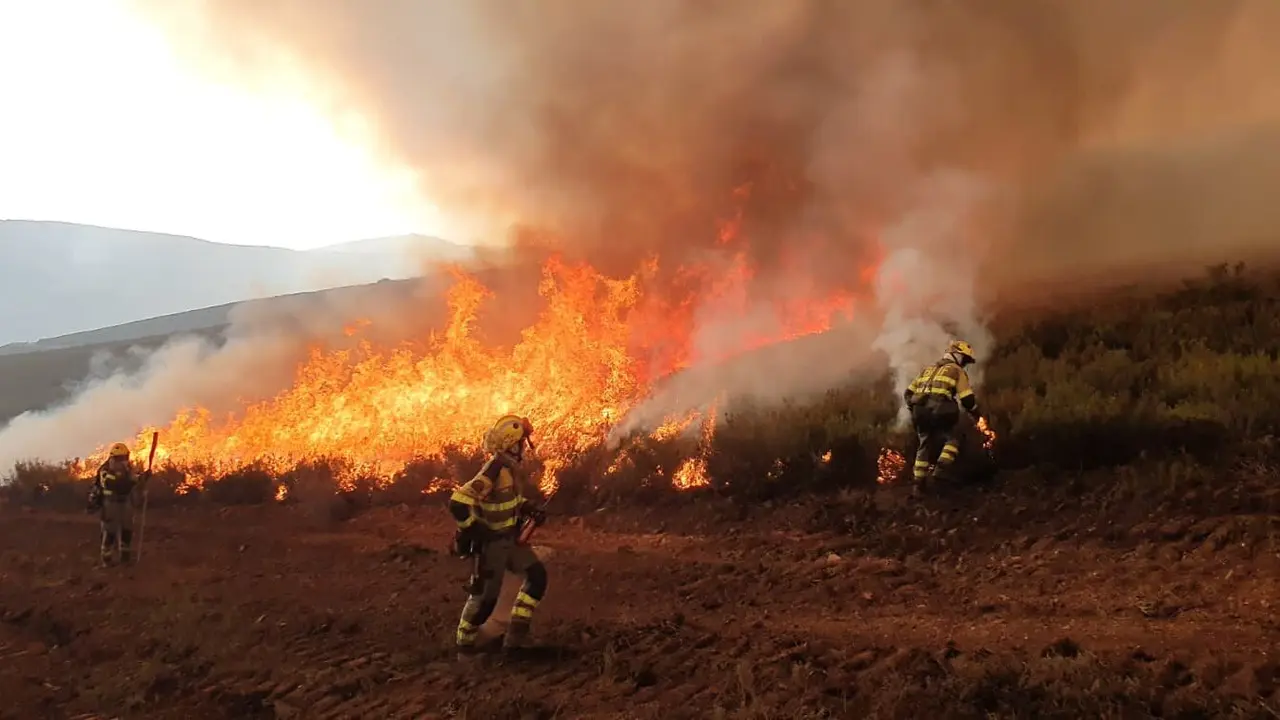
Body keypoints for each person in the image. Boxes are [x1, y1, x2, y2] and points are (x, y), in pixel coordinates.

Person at [448, 415, 549, 654]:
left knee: (537, 577)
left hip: (509, 539)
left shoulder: (509, 470)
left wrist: (527, 508)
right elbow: (458, 503)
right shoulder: (492, 471)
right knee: (484, 602)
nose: (524, 447)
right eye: (521, 443)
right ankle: (465, 646)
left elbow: (509, 499)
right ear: (511, 445)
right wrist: (475, 529)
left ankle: (515, 639)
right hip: (491, 544)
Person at [903, 340, 982, 488]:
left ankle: (918, 485)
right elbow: (967, 399)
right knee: (954, 438)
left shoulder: (927, 369)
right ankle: (941, 471)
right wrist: (975, 413)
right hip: (942, 409)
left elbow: (908, 393)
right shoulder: (957, 371)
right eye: (964, 359)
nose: (964, 364)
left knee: (924, 443)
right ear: (956, 355)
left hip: (919, 412)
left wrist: (913, 407)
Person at [87, 442, 147, 567]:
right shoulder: (105, 470)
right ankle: (106, 560)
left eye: (125, 458)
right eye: (121, 459)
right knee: (110, 531)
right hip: (110, 504)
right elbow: (115, 485)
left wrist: (143, 478)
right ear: (113, 458)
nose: (124, 461)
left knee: (127, 529)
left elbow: (134, 479)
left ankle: (125, 557)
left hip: (125, 502)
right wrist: (133, 481)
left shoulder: (128, 469)